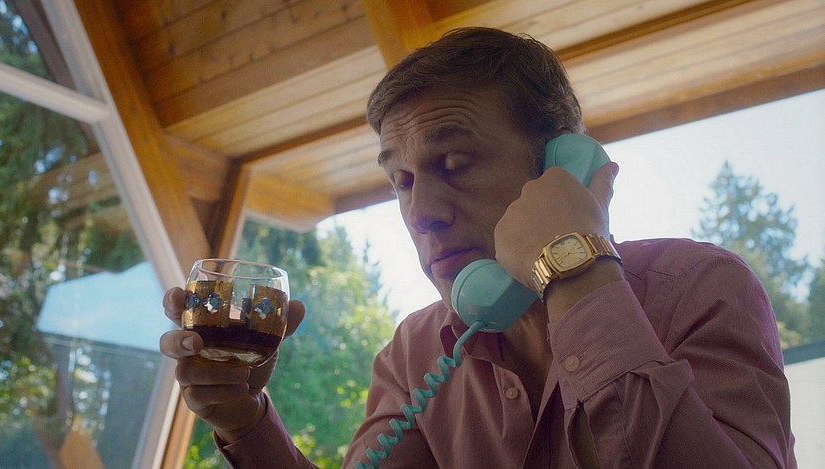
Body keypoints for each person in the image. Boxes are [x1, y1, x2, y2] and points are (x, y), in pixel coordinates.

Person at [160, 27, 796, 468]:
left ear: (560, 166)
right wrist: (245, 421)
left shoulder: (699, 288)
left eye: (455, 163)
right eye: (402, 180)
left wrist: (571, 262)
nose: (420, 213)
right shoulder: (414, 353)